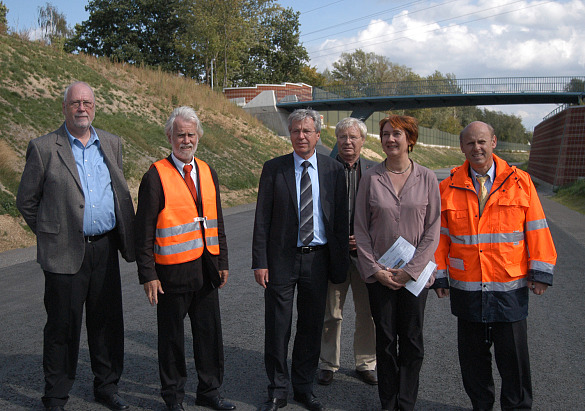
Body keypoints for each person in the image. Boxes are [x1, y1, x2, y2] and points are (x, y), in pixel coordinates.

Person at [16, 81, 135, 411]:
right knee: (62, 327)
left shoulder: (111, 143)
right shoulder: (43, 148)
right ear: (64, 107)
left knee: (107, 323)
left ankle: (107, 386)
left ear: (95, 107)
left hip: (105, 248)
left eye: (87, 103)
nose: (81, 108)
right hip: (65, 251)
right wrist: (52, 233)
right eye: (75, 103)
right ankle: (55, 395)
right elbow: (26, 201)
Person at [434, 121, 557, 411]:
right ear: (461, 147)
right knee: (473, 361)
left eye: (481, 142)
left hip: (509, 289)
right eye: (469, 143)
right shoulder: (447, 187)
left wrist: (540, 272)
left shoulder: (520, 182)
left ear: (494, 142)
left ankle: (516, 407)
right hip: (468, 288)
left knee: (513, 360)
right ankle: (481, 406)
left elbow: (537, 229)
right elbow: (439, 238)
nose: (476, 148)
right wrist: (440, 277)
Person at [134, 106, 235, 411]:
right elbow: (144, 231)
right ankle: (173, 397)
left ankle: (209, 392)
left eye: (191, 134)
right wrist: (148, 274)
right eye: (180, 135)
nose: (186, 140)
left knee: (209, 335)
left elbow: (217, 219)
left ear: (198, 137)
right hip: (171, 275)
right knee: (172, 340)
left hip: (206, 268)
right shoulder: (155, 176)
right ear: (169, 136)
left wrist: (224, 261)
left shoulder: (207, 171)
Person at [252, 109, 349, 411]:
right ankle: (277, 389)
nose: (301, 136)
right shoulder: (274, 169)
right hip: (281, 259)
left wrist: (340, 264)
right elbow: (262, 219)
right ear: (290, 134)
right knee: (278, 326)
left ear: (318, 135)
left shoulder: (334, 170)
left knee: (310, 327)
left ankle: (303, 387)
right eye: (296, 131)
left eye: (307, 131)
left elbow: (340, 222)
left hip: (318, 260)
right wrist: (260, 261)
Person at [354, 115, 441, 411]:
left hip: (415, 278)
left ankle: (406, 401)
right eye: (386, 134)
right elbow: (361, 229)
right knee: (386, 339)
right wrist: (376, 270)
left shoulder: (428, 177)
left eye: (397, 134)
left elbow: (433, 229)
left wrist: (411, 271)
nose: (390, 139)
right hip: (381, 276)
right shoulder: (371, 178)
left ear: (411, 140)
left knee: (412, 340)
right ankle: (388, 402)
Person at [317, 117, 377, 386]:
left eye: (353, 137)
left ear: (363, 141)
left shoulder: (376, 172)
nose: (348, 142)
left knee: (368, 314)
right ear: (336, 141)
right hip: (333, 255)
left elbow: (383, 215)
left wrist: (365, 240)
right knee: (332, 313)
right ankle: (329, 363)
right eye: (342, 137)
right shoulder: (325, 170)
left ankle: (366, 363)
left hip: (366, 257)